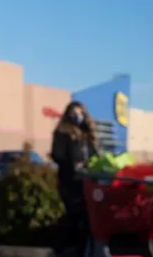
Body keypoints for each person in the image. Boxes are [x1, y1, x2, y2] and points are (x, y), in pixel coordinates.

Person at [51, 101, 98, 257]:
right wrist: (72, 164)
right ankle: (62, 247)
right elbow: (57, 154)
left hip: (86, 180)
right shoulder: (62, 132)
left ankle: (80, 248)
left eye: (80, 113)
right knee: (73, 214)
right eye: (74, 113)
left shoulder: (86, 134)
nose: (77, 117)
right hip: (69, 180)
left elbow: (94, 154)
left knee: (86, 215)